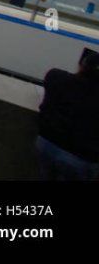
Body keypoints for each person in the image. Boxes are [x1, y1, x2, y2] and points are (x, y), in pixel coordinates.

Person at [35, 50, 99, 180]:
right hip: (81, 157)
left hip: (47, 143)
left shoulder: (58, 78)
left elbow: (52, 76)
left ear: (82, 66)